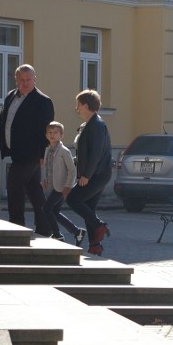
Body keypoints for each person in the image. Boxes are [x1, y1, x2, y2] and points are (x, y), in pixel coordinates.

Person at [0, 64, 54, 235]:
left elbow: (45, 131)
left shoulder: (43, 101)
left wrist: (43, 154)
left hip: (31, 153)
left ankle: (16, 225)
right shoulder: (11, 96)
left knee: (14, 185)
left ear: (35, 80)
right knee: (34, 191)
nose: (25, 84)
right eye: (22, 80)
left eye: (28, 80)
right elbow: (2, 122)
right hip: (15, 152)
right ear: (16, 80)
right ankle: (45, 227)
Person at [66, 90, 113, 256]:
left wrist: (86, 175)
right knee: (89, 208)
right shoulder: (89, 125)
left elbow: (96, 153)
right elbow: (84, 152)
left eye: (78, 105)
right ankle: (95, 245)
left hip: (98, 173)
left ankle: (99, 226)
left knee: (73, 198)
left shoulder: (97, 125)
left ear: (86, 105)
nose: (77, 108)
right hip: (94, 173)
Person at [42, 122, 86, 245]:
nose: (52, 135)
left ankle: (57, 235)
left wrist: (68, 186)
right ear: (46, 135)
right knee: (55, 212)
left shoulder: (64, 151)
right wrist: (45, 180)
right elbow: (47, 168)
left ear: (61, 135)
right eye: (50, 133)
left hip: (62, 187)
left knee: (46, 209)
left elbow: (72, 170)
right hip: (53, 185)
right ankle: (77, 232)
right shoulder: (47, 150)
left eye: (55, 133)